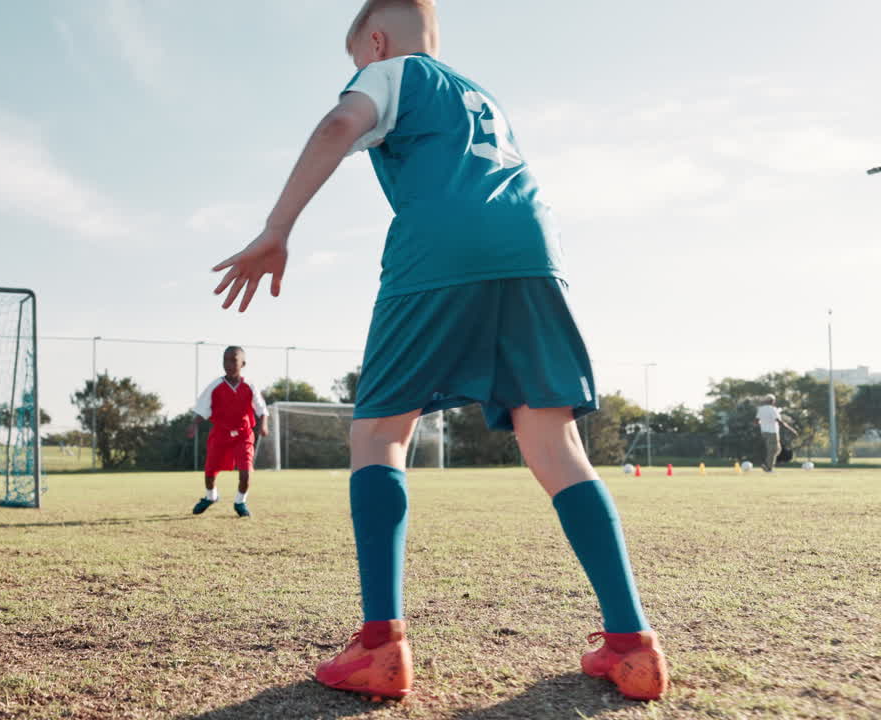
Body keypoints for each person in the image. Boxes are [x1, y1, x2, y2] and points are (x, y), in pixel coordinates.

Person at [209, 0, 668, 701]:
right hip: (534, 249)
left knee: (379, 434)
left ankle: (380, 647)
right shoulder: (481, 96)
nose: (357, 72)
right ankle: (633, 645)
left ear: (377, 41)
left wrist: (277, 228)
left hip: (443, 249)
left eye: (356, 59)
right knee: (554, 442)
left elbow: (338, 125)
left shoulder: (393, 72)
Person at [186, 347, 269, 517]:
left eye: (233, 360)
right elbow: (202, 408)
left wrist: (263, 425)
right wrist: (194, 424)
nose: (228, 364)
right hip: (220, 434)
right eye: (225, 360)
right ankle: (211, 497)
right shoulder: (215, 385)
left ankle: (240, 502)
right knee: (210, 473)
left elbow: (262, 409)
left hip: (244, 435)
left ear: (243, 364)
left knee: (245, 473)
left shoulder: (249, 385)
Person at [755, 394, 797, 472]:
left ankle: (768, 463)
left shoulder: (761, 409)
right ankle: (768, 467)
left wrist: (763, 424)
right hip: (772, 432)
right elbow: (779, 421)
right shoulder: (773, 409)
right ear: (772, 401)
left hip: (764, 431)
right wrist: (791, 430)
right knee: (773, 450)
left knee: (777, 449)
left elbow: (756, 421)